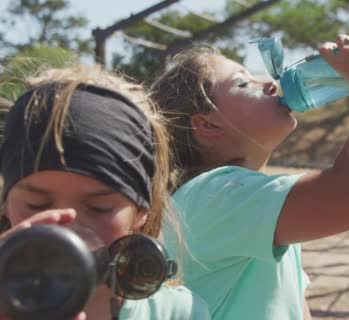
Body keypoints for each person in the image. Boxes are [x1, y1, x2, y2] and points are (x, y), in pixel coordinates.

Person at [151, 25, 349, 320]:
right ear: (208, 125)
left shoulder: (248, 201)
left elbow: (294, 306)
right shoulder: (212, 197)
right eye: (244, 84)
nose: (270, 84)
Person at [0, 65, 211, 320]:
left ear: (141, 211)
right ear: (6, 204)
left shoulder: (180, 313)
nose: (67, 226)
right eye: (37, 203)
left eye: (99, 208)